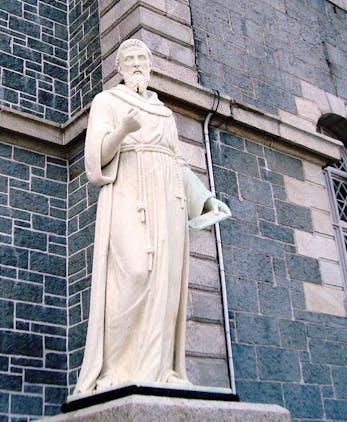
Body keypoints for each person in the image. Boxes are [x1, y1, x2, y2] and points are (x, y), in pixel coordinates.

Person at [72, 39, 231, 397]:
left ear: (149, 65)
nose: (137, 62)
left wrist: (204, 199)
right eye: (129, 58)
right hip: (128, 195)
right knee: (134, 274)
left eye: (142, 57)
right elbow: (95, 159)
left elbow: (177, 161)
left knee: (166, 282)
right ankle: (116, 369)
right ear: (119, 66)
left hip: (169, 202)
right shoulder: (108, 102)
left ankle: (160, 370)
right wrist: (124, 130)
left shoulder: (164, 113)